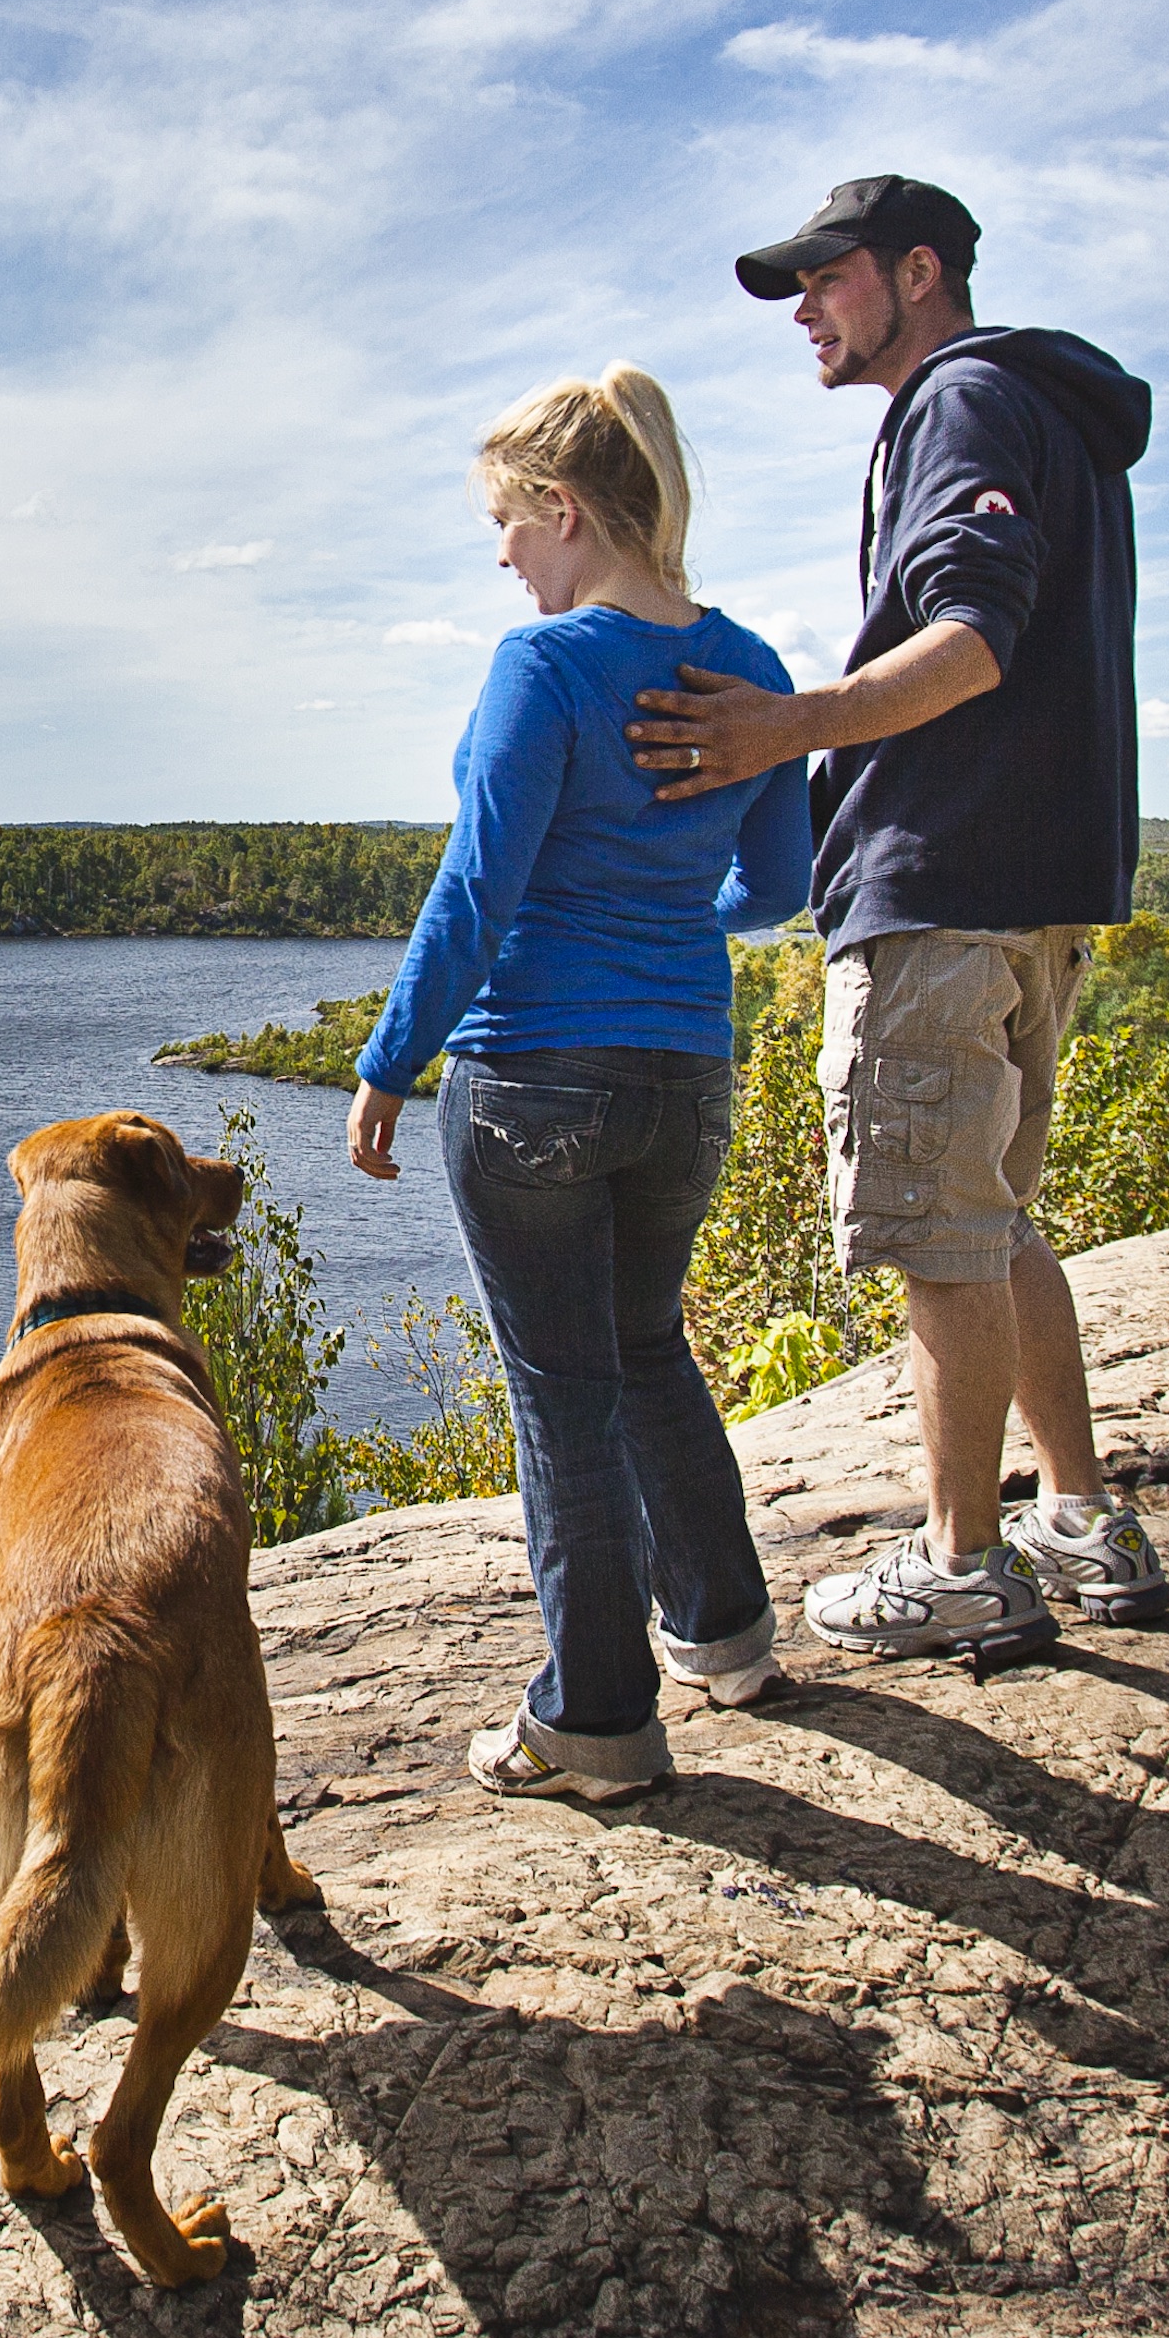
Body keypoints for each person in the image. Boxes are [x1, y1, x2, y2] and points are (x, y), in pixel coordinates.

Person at [628, 173, 1159, 1662]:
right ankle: (1082, 1515)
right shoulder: (1043, 410)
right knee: (989, 1220)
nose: (804, 311)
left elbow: (973, 637)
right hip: (1038, 885)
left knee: (938, 1233)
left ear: (919, 273)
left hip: (949, 879)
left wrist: (785, 730)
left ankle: (965, 1562)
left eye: (827, 279)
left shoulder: (961, 406)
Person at [343, 366, 819, 1801]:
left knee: (560, 1393)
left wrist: (385, 1062)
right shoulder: (753, 666)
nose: (501, 555)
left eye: (506, 521)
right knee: (648, 1347)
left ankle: (597, 1722)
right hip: (684, 1071)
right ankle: (727, 1636)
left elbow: (476, 892)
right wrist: (667, 926)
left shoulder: (540, 668)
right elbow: (782, 883)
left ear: (563, 508)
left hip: (531, 1078)